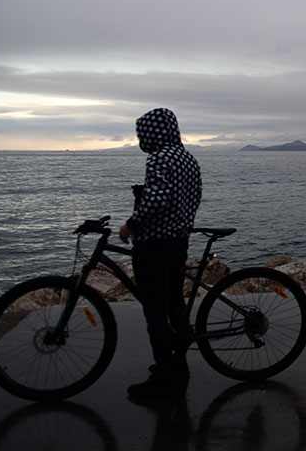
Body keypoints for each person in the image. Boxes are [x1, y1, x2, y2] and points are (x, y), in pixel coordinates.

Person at [119, 108, 202, 398]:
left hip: (154, 245)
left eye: (143, 133)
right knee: (173, 303)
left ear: (152, 132)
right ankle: (178, 362)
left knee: (155, 311)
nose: (142, 139)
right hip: (178, 241)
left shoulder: (159, 157)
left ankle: (163, 376)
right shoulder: (186, 157)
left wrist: (131, 224)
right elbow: (194, 196)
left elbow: (158, 196)